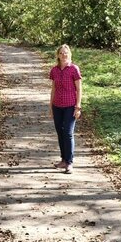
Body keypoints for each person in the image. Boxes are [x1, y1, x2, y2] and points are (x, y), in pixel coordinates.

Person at [50, 44, 82, 174]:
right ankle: (63, 159)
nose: (64, 55)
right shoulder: (54, 70)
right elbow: (53, 89)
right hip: (57, 105)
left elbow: (79, 89)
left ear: (69, 54)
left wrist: (78, 107)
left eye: (66, 53)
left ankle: (69, 162)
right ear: (58, 55)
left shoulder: (74, 69)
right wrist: (50, 106)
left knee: (68, 133)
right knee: (60, 132)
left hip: (70, 106)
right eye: (61, 53)